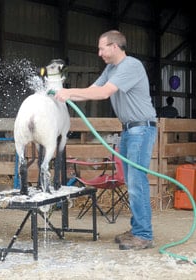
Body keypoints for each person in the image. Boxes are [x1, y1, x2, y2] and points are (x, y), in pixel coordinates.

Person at [55, 30, 157, 250]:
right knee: (132, 183)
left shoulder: (131, 65)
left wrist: (68, 91)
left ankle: (144, 235)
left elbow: (104, 93)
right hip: (129, 130)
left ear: (115, 46)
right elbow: (94, 89)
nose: (99, 53)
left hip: (141, 130)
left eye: (102, 48)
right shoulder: (111, 68)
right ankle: (138, 229)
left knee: (137, 183)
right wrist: (65, 93)